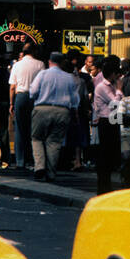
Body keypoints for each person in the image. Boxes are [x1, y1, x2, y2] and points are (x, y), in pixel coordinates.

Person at [28, 52, 79, 182]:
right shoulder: (69, 77)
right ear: (62, 63)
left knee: (37, 138)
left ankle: (39, 166)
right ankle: (51, 172)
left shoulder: (43, 74)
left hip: (42, 108)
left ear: (49, 61)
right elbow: (75, 100)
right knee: (54, 142)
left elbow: (32, 92)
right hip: (63, 111)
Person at [8, 43, 44, 171]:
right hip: (35, 98)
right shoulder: (40, 64)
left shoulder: (17, 65)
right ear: (34, 51)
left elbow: (12, 86)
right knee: (33, 129)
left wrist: (11, 103)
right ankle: (31, 160)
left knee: (19, 129)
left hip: (21, 96)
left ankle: (20, 161)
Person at [93, 56, 125, 196]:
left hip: (113, 119)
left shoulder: (110, 85)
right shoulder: (102, 87)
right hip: (106, 120)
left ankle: (107, 185)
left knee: (111, 154)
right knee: (105, 154)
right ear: (111, 73)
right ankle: (103, 186)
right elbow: (115, 103)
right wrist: (119, 90)